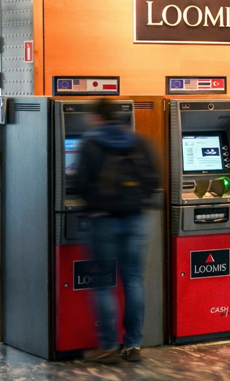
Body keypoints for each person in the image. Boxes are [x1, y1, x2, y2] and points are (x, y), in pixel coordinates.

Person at [72, 99, 161, 364]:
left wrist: (92, 203)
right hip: (136, 219)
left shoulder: (90, 143)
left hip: (103, 221)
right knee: (133, 280)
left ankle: (108, 346)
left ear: (98, 117)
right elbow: (154, 180)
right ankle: (133, 345)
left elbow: (78, 185)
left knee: (104, 283)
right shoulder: (138, 141)